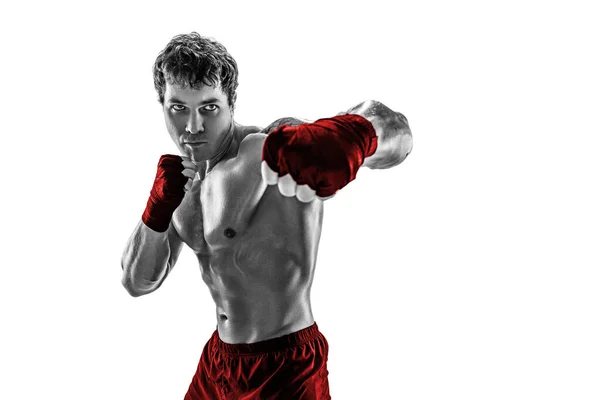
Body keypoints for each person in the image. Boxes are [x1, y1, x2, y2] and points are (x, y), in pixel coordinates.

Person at [121, 32, 413, 400]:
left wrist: (353, 136)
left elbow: (398, 135)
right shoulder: (180, 183)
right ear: (162, 105)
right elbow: (137, 282)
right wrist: (156, 211)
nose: (192, 127)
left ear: (231, 103)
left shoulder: (269, 147)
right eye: (179, 108)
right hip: (218, 362)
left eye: (209, 108)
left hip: (284, 366)